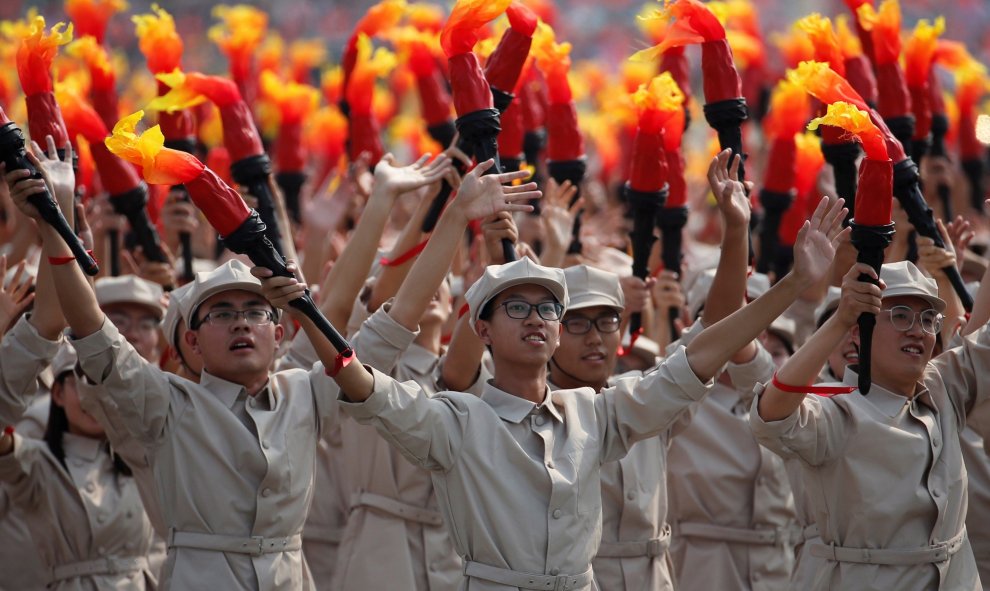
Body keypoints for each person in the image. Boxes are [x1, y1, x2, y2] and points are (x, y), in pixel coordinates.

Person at [257, 154, 848, 589]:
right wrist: (311, 314)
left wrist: (797, 284)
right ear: (481, 329)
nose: (537, 320)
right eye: (517, 307)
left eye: (547, 308)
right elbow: (364, 378)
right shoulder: (457, 420)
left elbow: (698, 357)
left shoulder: (597, 413)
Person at [752, 260, 990, 590]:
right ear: (858, 332)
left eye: (927, 319)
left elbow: (982, 344)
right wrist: (842, 317)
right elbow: (770, 414)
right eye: (900, 315)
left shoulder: (941, 386)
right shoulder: (835, 411)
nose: (917, 330)